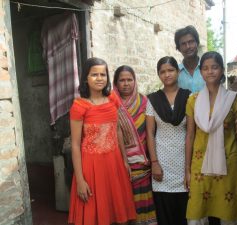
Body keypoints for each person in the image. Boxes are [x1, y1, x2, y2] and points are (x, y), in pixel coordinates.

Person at [68, 58, 136, 225]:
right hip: (90, 167)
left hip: (114, 163)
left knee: (117, 212)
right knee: (94, 216)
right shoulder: (79, 106)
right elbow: (75, 145)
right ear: (85, 78)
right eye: (94, 75)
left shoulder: (113, 98)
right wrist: (80, 180)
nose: (99, 78)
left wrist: (125, 160)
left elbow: (117, 129)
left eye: (103, 74)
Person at [185, 51, 237, 225]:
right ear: (201, 72)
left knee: (227, 214)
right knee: (196, 213)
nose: (210, 71)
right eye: (205, 68)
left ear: (221, 70)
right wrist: (187, 171)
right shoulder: (193, 101)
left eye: (214, 67)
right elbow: (190, 136)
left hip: (229, 163)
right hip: (200, 165)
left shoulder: (233, 100)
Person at [146, 56, 191, 225]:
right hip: (161, 162)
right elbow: (150, 133)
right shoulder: (153, 99)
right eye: (162, 72)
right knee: (164, 213)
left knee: (183, 212)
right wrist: (154, 162)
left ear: (178, 72)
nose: (167, 74)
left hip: (183, 162)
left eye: (171, 70)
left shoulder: (189, 97)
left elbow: (190, 134)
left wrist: (188, 168)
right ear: (159, 75)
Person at [113, 65, 157, 225]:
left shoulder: (144, 101)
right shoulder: (111, 103)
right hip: (120, 162)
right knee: (124, 203)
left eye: (129, 79)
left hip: (143, 163)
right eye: (122, 80)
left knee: (143, 201)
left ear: (135, 81)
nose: (126, 83)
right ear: (115, 83)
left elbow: (151, 131)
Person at [174, 25, 205, 93]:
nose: (188, 46)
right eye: (183, 44)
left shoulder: (207, 69)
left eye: (191, 42)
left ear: (197, 43)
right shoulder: (175, 73)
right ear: (179, 49)